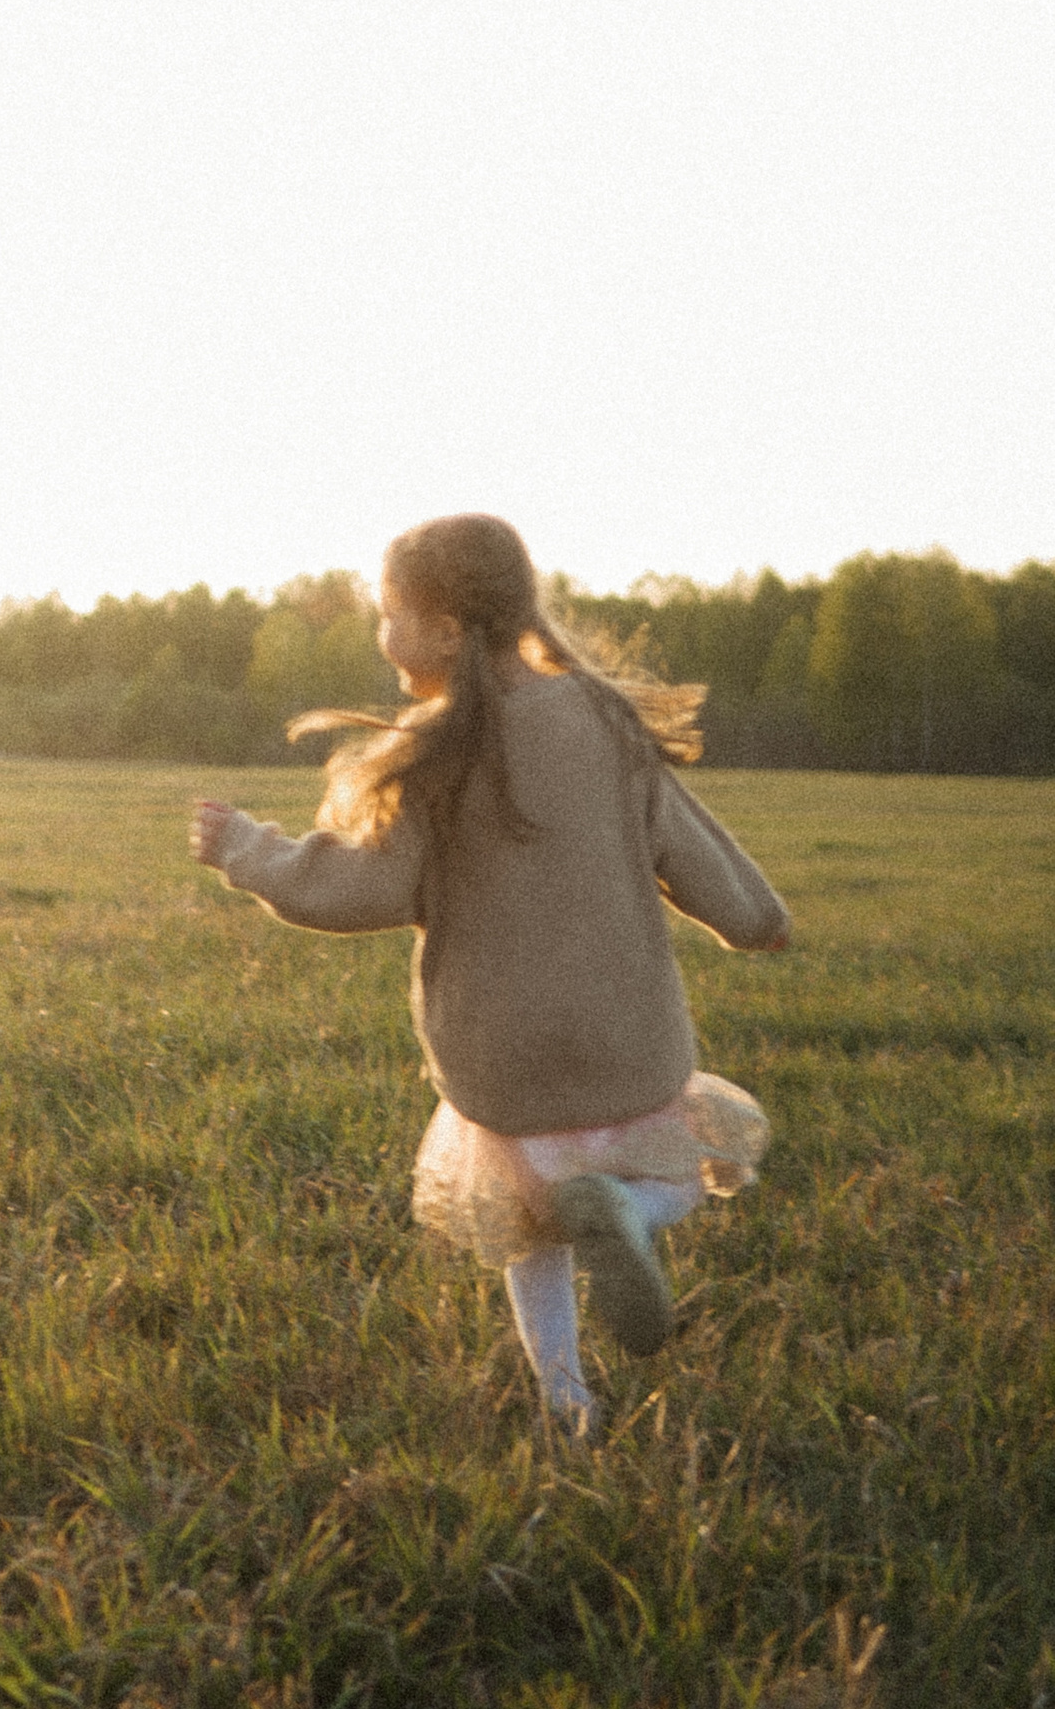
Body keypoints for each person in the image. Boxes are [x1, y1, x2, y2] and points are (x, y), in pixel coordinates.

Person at [189, 513, 791, 1439]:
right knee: (679, 1166)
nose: (382, 636)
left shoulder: (437, 749)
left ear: (440, 627)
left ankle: (566, 1401)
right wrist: (758, 920)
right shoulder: (601, 717)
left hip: (503, 1068)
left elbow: (356, 888)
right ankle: (632, 1210)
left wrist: (247, 850)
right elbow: (696, 853)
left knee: (527, 1230)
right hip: (627, 1042)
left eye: (390, 612)